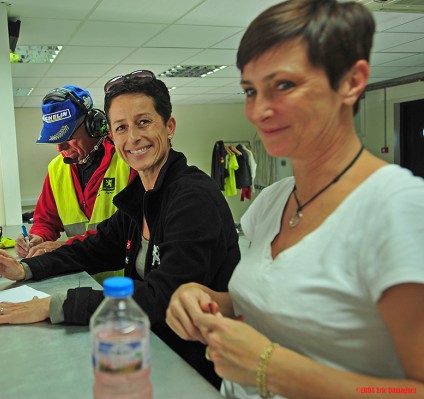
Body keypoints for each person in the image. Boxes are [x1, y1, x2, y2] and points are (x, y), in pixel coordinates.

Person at [165, 1, 424, 398]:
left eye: (284, 85)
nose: (259, 111)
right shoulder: (274, 200)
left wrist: (271, 367)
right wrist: (202, 298)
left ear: (351, 82)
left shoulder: (396, 208)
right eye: (251, 91)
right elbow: (268, 299)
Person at [0, 70, 241, 388]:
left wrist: (54, 305)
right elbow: (92, 248)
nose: (133, 138)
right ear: (112, 136)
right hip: (153, 351)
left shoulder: (192, 198)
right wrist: (24, 269)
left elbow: (164, 298)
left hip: (196, 369)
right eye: (121, 127)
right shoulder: (142, 197)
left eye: (143, 122)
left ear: (169, 127)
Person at [16, 85, 135, 264]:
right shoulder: (56, 169)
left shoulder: (128, 162)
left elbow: (135, 232)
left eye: (68, 138)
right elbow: (46, 221)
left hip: (121, 283)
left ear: (94, 126)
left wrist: (67, 247)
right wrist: (37, 237)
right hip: (79, 275)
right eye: (55, 140)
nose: (59, 148)